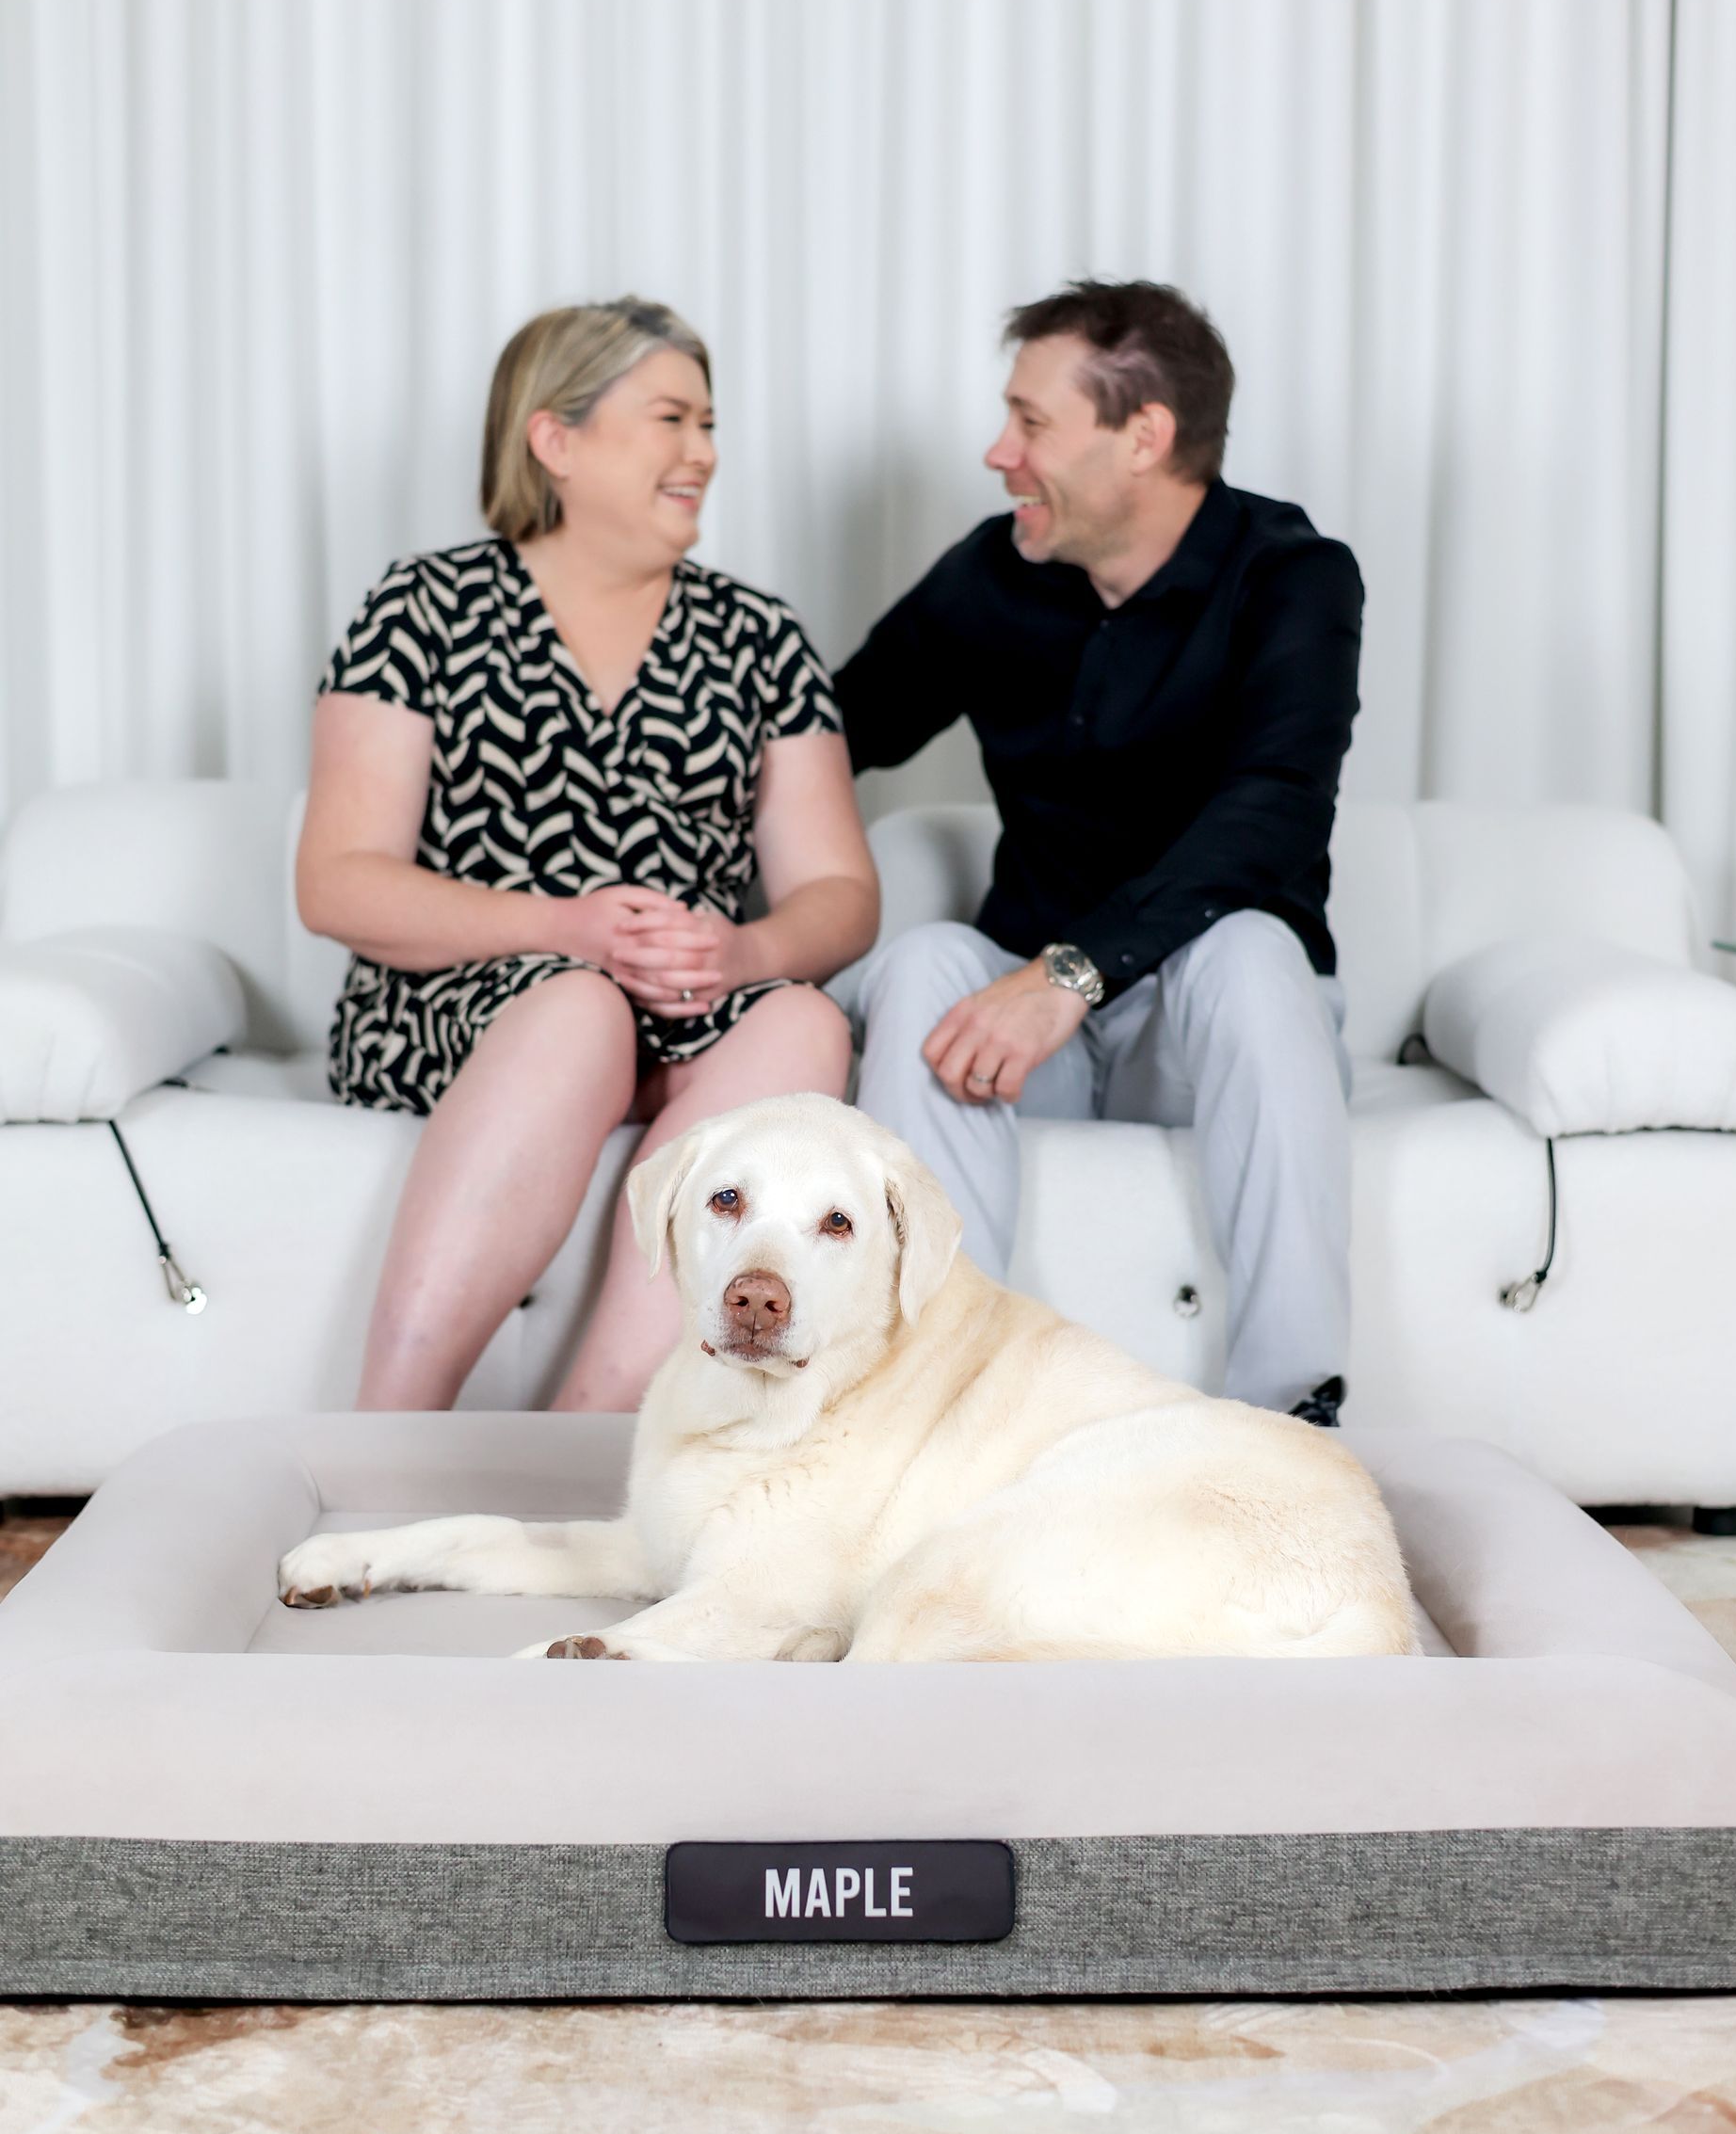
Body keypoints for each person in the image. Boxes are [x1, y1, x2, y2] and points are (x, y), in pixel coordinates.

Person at [297, 297, 876, 1413]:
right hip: (465, 1004)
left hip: (682, 1010)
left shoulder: (761, 636)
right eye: (672, 419)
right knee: (579, 1009)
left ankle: (586, 1441)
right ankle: (386, 1435)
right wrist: (561, 929)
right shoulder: (424, 608)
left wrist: (742, 946)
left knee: (808, 1018)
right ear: (555, 439)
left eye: (710, 425)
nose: (704, 453)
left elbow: (841, 895)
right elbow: (336, 881)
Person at [834, 280, 1360, 1424]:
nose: (997, 450)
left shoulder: (1291, 577)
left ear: (1145, 436)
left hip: (1200, 1030)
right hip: (1038, 1047)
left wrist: (1070, 974)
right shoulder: (993, 574)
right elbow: (831, 733)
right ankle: (925, 1411)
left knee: (1255, 950)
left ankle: (1292, 1420)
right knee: (924, 960)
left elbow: (1272, 814)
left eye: (1030, 423)